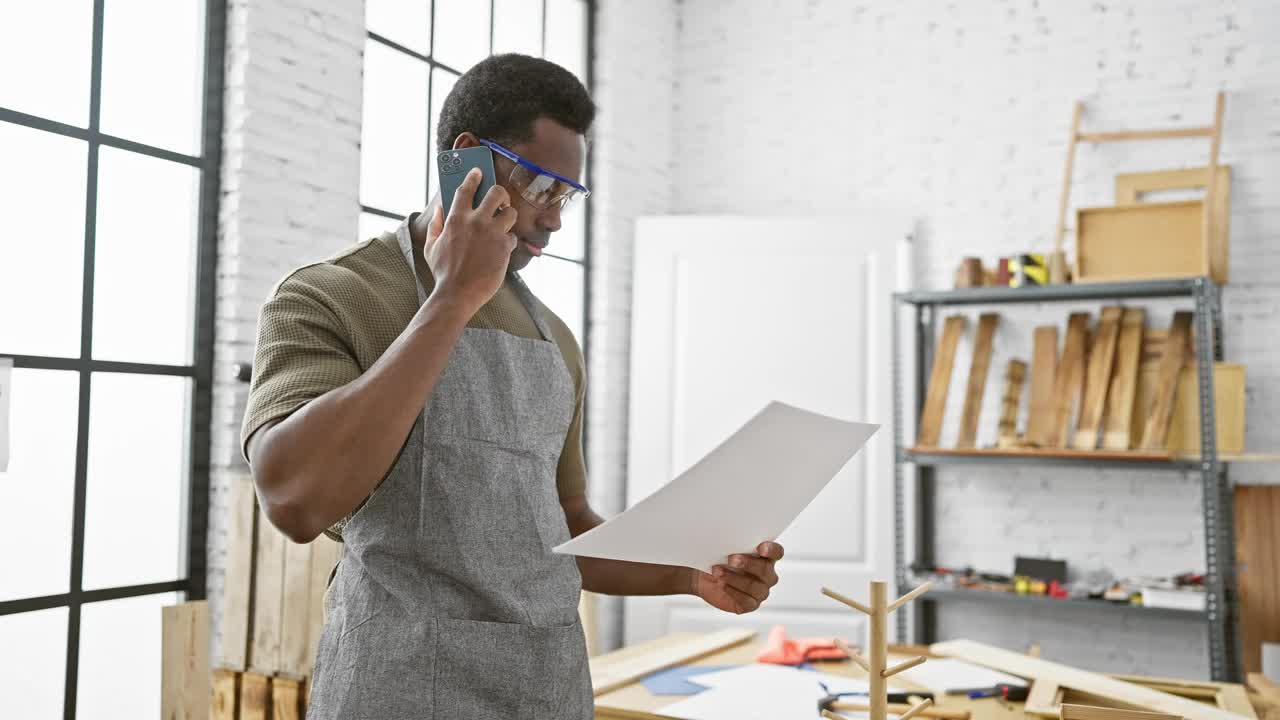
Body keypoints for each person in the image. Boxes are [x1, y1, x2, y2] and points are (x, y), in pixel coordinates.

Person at [241, 53, 784, 719]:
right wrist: (452, 300)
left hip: (545, 692)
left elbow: (565, 526)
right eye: (541, 185)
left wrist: (686, 573)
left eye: (566, 196)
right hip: (397, 691)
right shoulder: (331, 296)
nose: (554, 219)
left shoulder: (553, 338)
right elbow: (296, 503)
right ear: (468, 160)